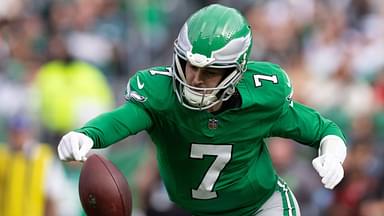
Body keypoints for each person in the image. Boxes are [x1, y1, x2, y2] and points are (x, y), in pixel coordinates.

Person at [57, 4, 347, 216]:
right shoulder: (161, 95)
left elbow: (324, 130)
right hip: (189, 210)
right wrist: (89, 135)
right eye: (189, 65)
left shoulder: (261, 97)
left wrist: (332, 155)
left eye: (208, 72)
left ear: (235, 71)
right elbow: (124, 119)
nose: (194, 78)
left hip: (259, 208)